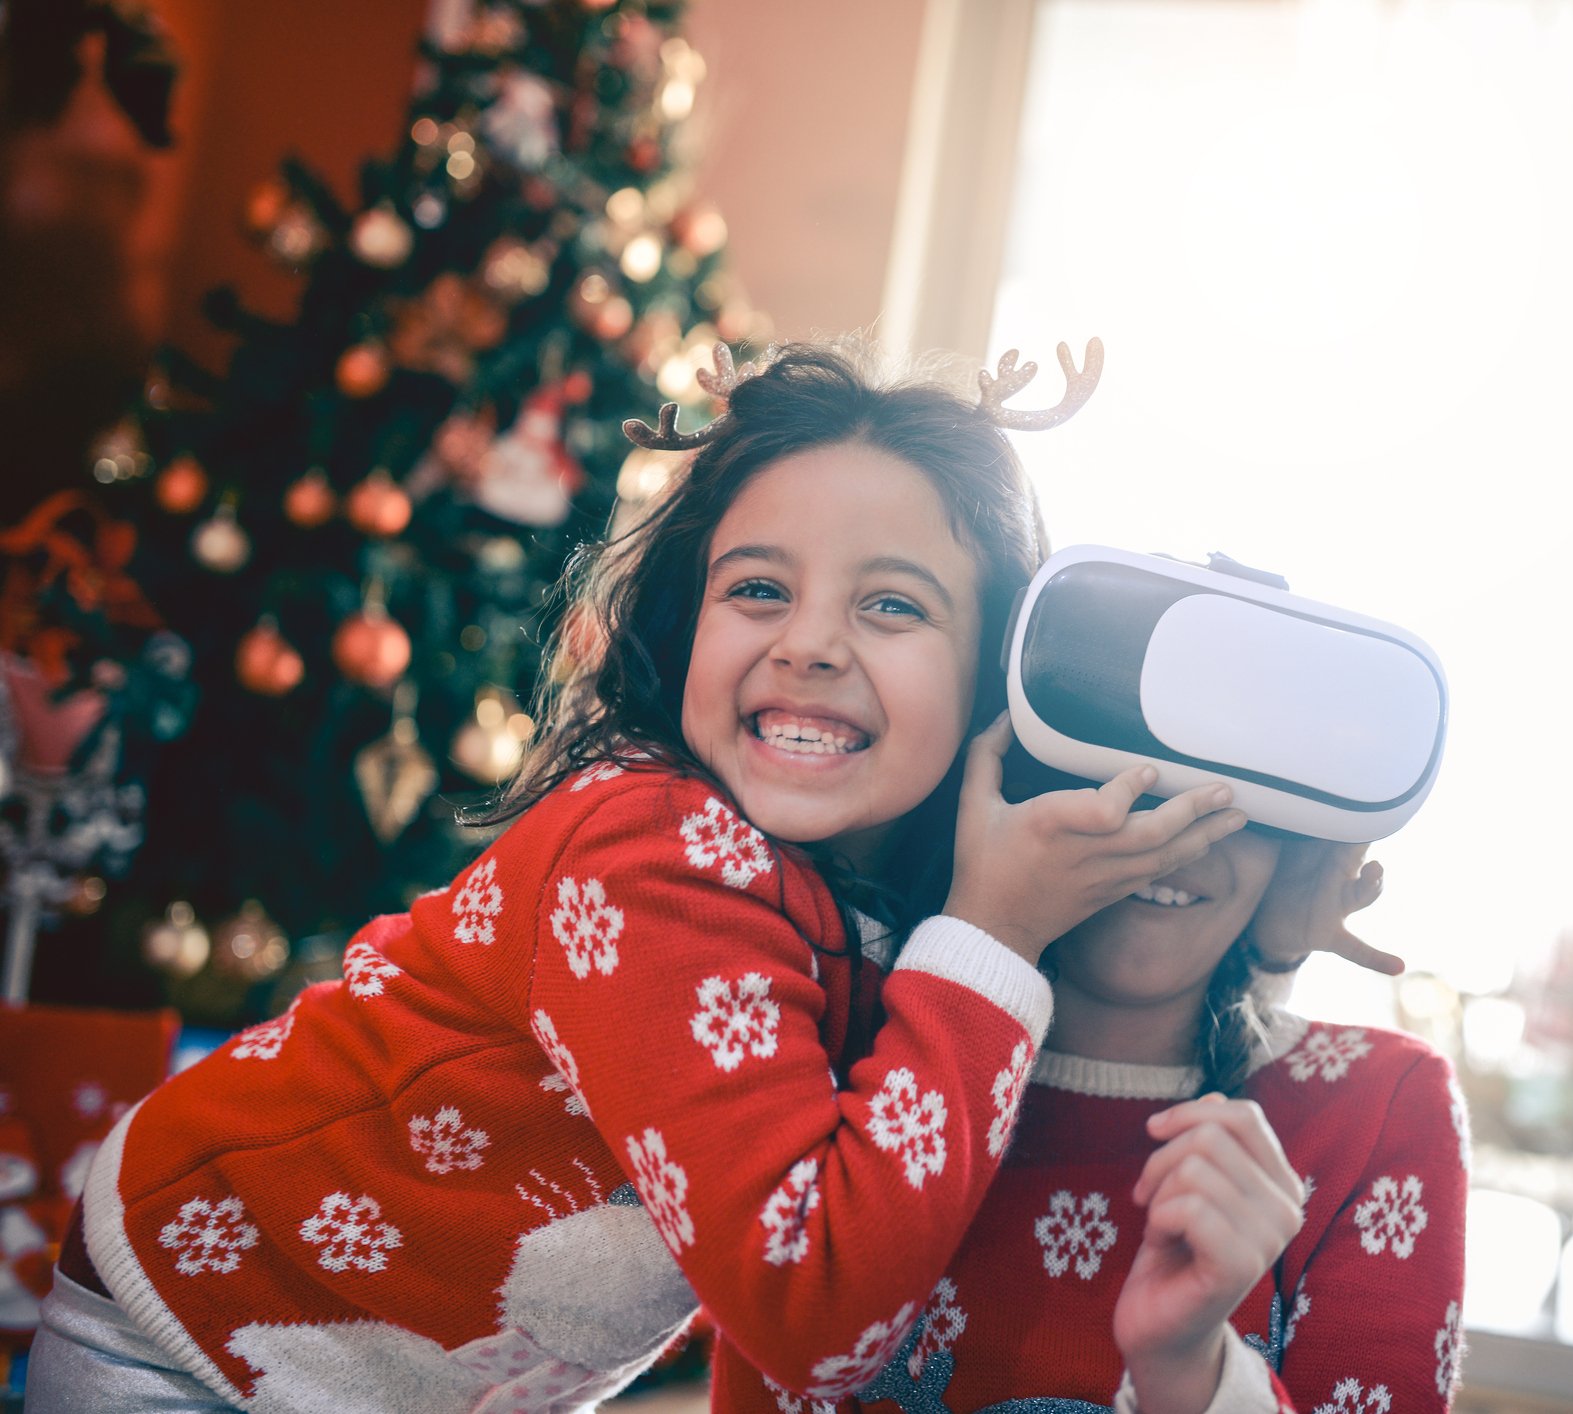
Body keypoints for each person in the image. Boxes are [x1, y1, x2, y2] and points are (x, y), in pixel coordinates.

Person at [26, 341, 1248, 1412]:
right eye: (757, 588)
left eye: (891, 604)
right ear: (688, 621)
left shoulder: (895, 899)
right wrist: (994, 935)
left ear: (994, 679)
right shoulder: (654, 851)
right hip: (199, 1333)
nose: (810, 642)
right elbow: (813, 1314)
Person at [799, 833, 1471, 1414]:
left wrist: (1188, 1371)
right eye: (1116, 764)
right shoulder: (836, 1040)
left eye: (1236, 794)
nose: (1176, 832)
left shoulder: (1380, 1104)